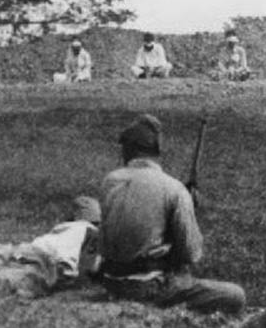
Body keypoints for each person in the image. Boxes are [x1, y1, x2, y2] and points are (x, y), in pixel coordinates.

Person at [98, 114, 245, 316]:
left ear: (130, 149)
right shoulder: (174, 189)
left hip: (110, 282)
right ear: (157, 151)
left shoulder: (110, 181)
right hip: (148, 288)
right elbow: (191, 254)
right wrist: (187, 210)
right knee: (236, 295)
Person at [0, 195, 101, 297]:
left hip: (26, 250)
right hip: (43, 259)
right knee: (21, 281)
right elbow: (76, 257)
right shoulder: (86, 229)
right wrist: (68, 270)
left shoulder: (70, 228)